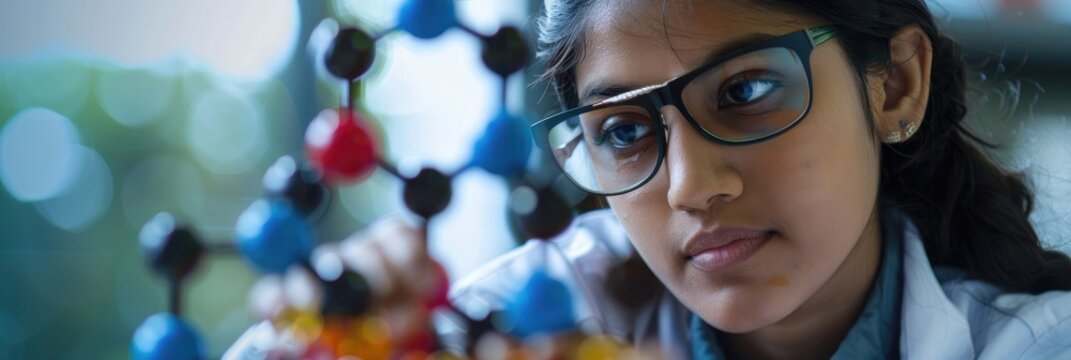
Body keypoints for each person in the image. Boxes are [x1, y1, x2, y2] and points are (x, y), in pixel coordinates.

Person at [228, 0, 1071, 359]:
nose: (689, 186)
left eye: (745, 92)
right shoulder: (528, 315)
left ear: (894, 87)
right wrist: (345, 329)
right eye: (625, 132)